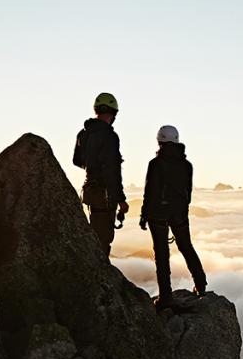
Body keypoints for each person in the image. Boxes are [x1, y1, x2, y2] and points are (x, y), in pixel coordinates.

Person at [139, 125, 207, 310]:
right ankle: (201, 285)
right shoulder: (187, 166)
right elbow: (188, 194)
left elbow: (150, 192)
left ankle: (166, 297)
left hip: (158, 214)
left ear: (159, 141)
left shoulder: (155, 164)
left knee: (162, 255)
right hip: (179, 214)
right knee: (186, 247)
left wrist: (144, 215)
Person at [73, 92, 128, 256]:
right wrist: (121, 200)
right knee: (103, 238)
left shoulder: (83, 134)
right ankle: (100, 276)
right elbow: (112, 171)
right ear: (114, 113)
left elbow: (77, 160)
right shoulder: (110, 137)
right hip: (104, 194)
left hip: (89, 191)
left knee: (94, 232)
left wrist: (92, 166)